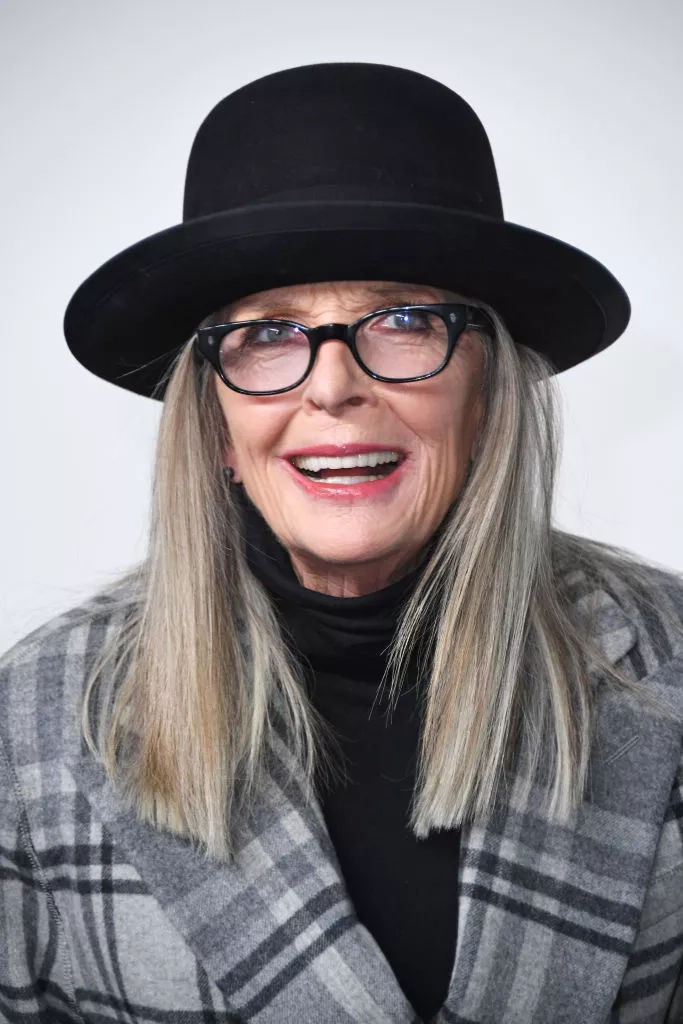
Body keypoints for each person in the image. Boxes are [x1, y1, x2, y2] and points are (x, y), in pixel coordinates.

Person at [1, 62, 682, 1024]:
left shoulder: (665, 664)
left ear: (487, 395)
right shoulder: (34, 719)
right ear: (214, 424)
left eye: (402, 321)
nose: (330, 388)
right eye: (267, 335)